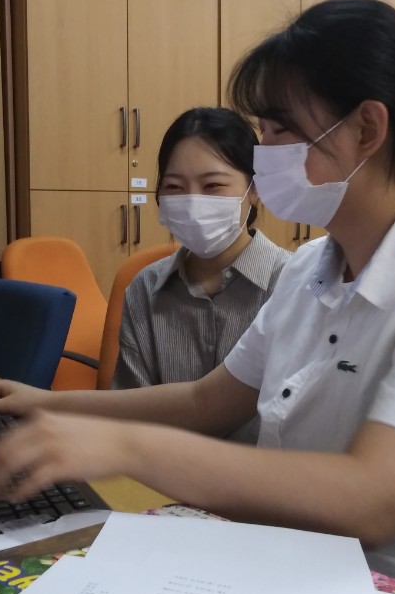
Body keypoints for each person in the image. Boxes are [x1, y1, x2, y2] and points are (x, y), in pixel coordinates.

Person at [0, 0, 395, 594]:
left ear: (367, 130)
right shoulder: (311, 269)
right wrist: (46, 404)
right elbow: (206, 402)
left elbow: (376, 499)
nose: (264, 153)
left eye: (280, 130)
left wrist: (125, 447)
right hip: (301, 577)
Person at [112, 106, 290, 443]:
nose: (193, 203)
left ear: (255, 188)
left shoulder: (292, 285)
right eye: (175, 187)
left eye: (212, 186)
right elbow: (130, 417)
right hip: (157, 469)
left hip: (261, 475)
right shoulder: (144, 289)